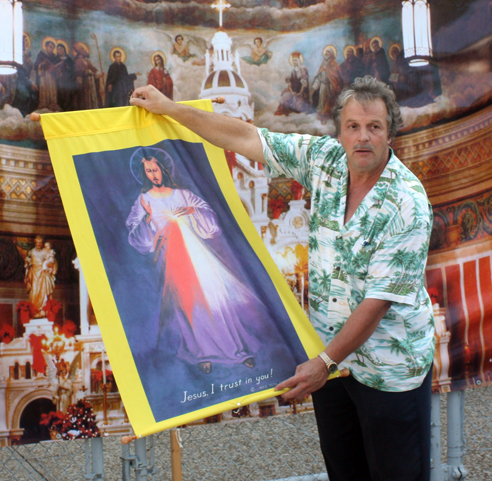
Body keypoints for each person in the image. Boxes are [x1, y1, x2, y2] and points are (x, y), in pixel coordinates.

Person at [130, 75, 435, 481]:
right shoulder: (324, 160)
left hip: (387, 370)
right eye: (353, 127)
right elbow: (245, 138)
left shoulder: (408, 204)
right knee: (345, 473)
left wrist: (323, 363)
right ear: (340, 132)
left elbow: (377, 301)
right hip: (330, 363)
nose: (363, 137)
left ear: (390, 132)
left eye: (374, 127)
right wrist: (169, 108)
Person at [126, 149, 260, 374]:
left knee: (216, 298)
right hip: (173, 259)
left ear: (163, 169)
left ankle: (238, 350)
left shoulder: (183, 194)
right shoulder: (143, 200)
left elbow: (210, 223)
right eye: (148, 171)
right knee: (190, 304)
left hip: (199, 255)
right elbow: (135, 236)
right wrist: (148, 218)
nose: (153, 174)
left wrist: (191, 210)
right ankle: (204, 353)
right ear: (144, 174)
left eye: (155, 169)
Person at [24, 235, 58, 317]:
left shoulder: (46, 251)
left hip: (43, 274)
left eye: (40, 242)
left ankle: (43, 311)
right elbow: (28, 265)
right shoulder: (31, 252)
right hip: (34, 275)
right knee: (34, 293)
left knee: (44, 292)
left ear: (42, 243)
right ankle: (35, 312)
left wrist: (49, 268)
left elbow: (53, 262)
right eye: (37, 242)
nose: (39, 244)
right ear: (35, 242)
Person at [310, 46, 343, 122]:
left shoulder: (334, 64)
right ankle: (321, 116)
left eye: (328, 52)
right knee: (321, 101)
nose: (326, 53)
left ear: (332, 54)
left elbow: (336, 78)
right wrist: (314, 87)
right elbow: (319, 77)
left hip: (330, 86)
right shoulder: (323, 64)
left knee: (329, 102)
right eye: (326, 52)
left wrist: (333, 87)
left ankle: (327, 117)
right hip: (322, 86)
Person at [274, 52, 312, 116]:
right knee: (284, 98)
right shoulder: (292, 71)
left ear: (299, 60)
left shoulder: (303, 70)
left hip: (302, 93)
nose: (294, 62)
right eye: (293, 60)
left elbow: (304, 84)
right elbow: (289, 84)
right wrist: (292, 92)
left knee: (298, 106)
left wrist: (299, 93)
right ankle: (286, 112)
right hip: (293, 92)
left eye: (296, 60)